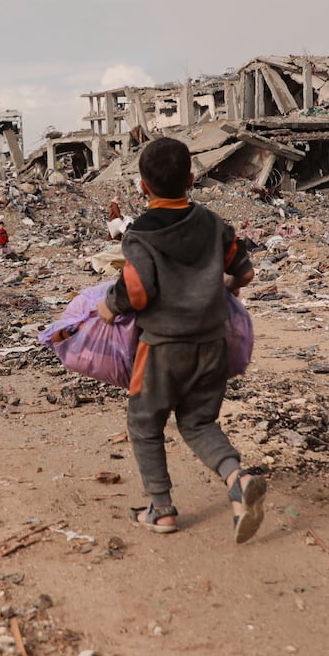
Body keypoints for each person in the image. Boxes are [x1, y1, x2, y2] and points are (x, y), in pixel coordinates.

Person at [97, 137, 263, 542]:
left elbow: (138, 290)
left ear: (142, 187)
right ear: (191, 179)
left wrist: (109, 306)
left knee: (144, 421)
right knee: (198, 420)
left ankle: (161, 508)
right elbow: (243, 272)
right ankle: (236, 478)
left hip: (162, 349)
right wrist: (227, 285)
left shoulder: (141, 236)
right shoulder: (213, 225)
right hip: (211, 344)